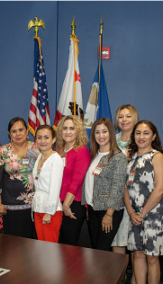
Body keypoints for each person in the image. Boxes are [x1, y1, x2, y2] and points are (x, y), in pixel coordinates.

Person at [124, 120, 163, 284]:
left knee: (151, 258)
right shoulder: (132, 158)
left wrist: (142, 214)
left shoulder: (157, 157)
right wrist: (131, 212)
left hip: (154, 215)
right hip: (134, 215)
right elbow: (125, 188)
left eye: (146, 133)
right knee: (137, 254)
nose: (141, 137)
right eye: (138, 133)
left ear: (154, 136)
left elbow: (159, 190)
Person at [82, 118, 127, 251]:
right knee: (97, 250)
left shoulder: (118, 157)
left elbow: (118, 187)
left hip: (108, 211)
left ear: (111, 134)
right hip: (93, 210)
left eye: (104, 131)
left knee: (102, 250)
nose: (101, 136)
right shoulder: (95, 155)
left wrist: (109, 214)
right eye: (97, 132)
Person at [0, 117, 39, 238]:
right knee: (13, 244)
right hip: (10, 207)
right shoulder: (3, 151)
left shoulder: (36, 148)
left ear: (27, 131)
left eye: (21, 130)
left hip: (35, 206)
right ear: (9, 134)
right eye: (14, 131)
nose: (18, 134)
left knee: (32, 242)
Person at [113, 104, 139, 284]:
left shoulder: (140, 140)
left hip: (137, 199)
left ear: (135, 118)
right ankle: (120, 280)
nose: (124, 120)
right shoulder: (111, 140)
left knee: (137, 247)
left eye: (128, 116)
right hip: (115, 199)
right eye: (121, 116)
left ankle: (136, 280)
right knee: (117, 242)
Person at [55, 115, 91, 246]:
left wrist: (66, 206)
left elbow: (77, 182)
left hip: (72, 204)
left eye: (72, 128)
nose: (68, 132)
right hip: (58, 203)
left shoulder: (82, 151)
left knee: (69, 245)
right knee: (60, 244)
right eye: (65, 128)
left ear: (78, 131)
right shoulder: (59, 150)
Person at [32, 125, 64, 243]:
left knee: (50, 248)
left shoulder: (55, 159)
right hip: (38, 208)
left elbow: (55, 188)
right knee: (41, 247)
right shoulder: (39, 156)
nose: (43, 141)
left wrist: (49, 212)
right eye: (39, 137)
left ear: (54, 139)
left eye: (46, 137)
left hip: (51, 211)